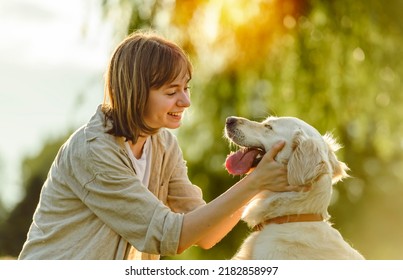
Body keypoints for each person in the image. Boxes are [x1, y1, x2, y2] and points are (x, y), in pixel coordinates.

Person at [18, 30, 302, 260]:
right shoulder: (93, 151)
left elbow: (205, 234)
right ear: (136, 92)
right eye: (171, 92)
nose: (185, 102)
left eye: (186, 88)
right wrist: (253, 185)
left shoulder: (163, 145)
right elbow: (170, 237)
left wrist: (258, 179)